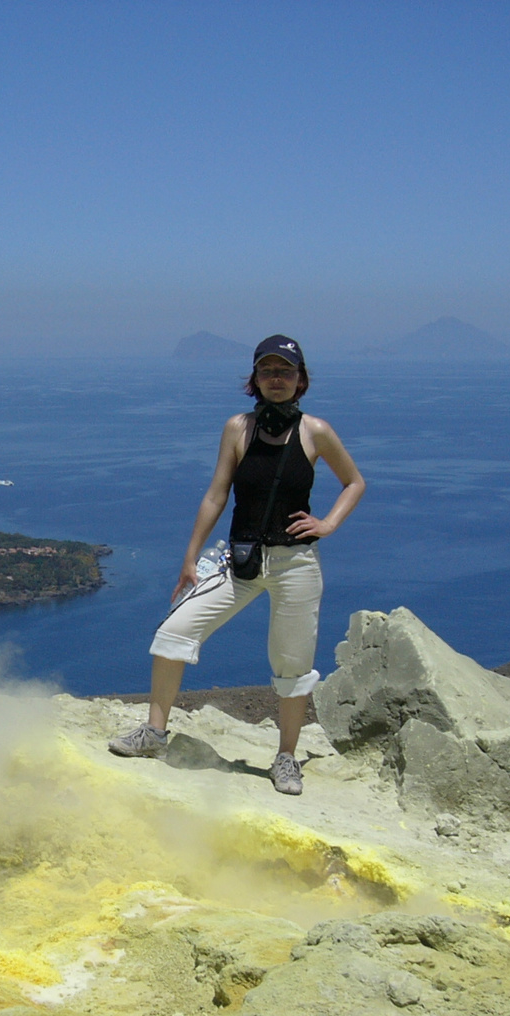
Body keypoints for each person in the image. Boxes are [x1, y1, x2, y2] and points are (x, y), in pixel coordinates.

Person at [107, 335, 366, 795]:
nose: (277, 379)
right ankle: (154, 734)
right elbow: (216, 493)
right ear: (255, 380)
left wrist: (327, 524)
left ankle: (286, 758)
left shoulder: (315, 431)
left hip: (295, 564)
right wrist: (190, 558)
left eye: (285, 371)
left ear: (301, 379)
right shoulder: (237, 429)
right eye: (268, 372)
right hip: (239, 560)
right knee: (173, 633)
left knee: (292, 664)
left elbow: (354, 482)